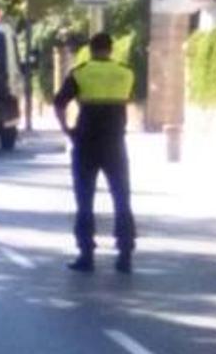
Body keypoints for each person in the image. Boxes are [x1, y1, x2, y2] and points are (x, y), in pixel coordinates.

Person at [54, 32, 136, 274]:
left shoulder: (80, 72)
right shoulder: (126, 72)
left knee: (85, 199)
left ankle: (86, 254)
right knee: (121, 198)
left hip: (86, 143)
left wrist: (67, 130)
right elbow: (127, 98)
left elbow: (59, 103)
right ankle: (125, 254)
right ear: (111, 50)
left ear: (90, 50)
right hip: (115, 143)